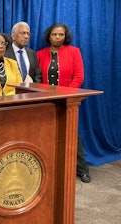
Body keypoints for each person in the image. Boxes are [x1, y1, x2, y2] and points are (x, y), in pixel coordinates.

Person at [37, 23, 91, 183]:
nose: (57, 37)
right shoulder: (40, 54)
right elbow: (37, 78)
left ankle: (82, 169)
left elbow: (79, 77)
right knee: (47, 134)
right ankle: (51, 169)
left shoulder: (74, 52)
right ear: (49, 36)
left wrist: (66, 95)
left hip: (68, 101)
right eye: (54, 34)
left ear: (65, 36)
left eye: (60, 35)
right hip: (45, 101)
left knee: (72, 135)